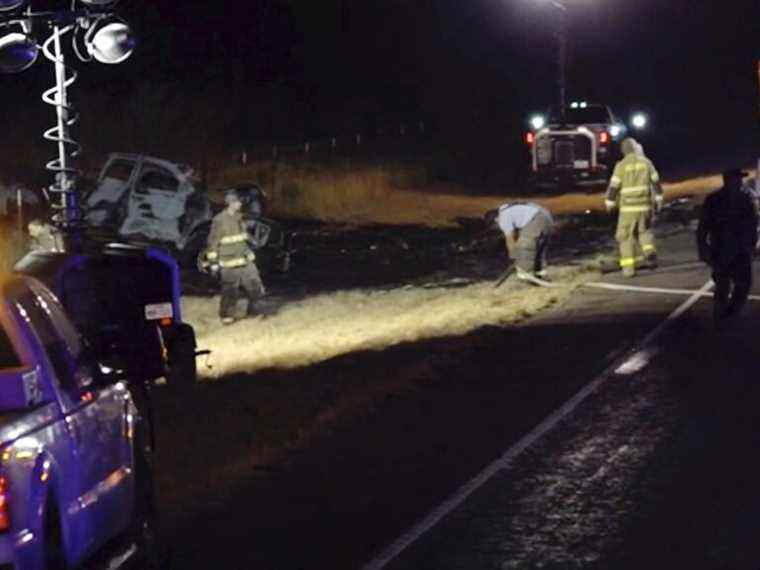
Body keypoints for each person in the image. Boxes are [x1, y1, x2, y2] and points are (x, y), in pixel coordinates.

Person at [697, 168, 758, 326]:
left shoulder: (740, 199)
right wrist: (703, 247)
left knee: (739, 284)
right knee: (727, 285)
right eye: (737, 179)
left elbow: (752, 224)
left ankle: (727, 314)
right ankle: (723, 316)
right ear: (729, 181)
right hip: (725, 249)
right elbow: (704, 226)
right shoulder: (724, 200)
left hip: (732, 249)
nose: (740, 182)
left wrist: (751, 245)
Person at [604, 137, 663, 277]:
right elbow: (656, 183)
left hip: (628, 209)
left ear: (623, 151)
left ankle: (628, 269)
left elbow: (614, 187)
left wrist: (609, 203)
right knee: (644, 232)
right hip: (645, 207)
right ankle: (649, 253)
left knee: (625, 237)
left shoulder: (621, 166)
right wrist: (659, 199)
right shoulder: (646, 163)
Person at [205, 189, 266, 325]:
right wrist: (213, 262)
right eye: (238, 202)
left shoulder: (239, 217)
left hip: (245, 259)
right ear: (231, 203)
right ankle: (226, 316)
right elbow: (212, 242)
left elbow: (243, 235)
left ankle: (254, 312)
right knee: (230, 290)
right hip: (229, 262)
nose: (240, 204)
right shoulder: (219, 220)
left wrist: (253, 241)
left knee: (255, 285)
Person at [487, 201, 554, 282]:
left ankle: (526, 277)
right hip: (547, 217)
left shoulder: (503, 217)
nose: (499, 227)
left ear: (495, 220)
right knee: (537, 249)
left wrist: (513, 256)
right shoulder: (508, 209)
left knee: (525, 245)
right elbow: (516, 234)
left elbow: (510, 239)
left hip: (536, 218)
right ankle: (541, 275)